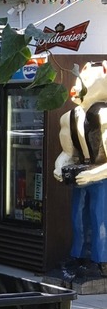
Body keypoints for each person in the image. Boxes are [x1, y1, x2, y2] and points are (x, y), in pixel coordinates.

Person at [53, 61, 107, 279]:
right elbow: (68, 151)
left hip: (101, 178)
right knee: (77, 217)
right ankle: (79, 256)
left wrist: (94, 173)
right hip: (82, 174)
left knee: (99, 217)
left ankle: (101, 260)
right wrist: (60, 166)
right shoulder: (71, 117)